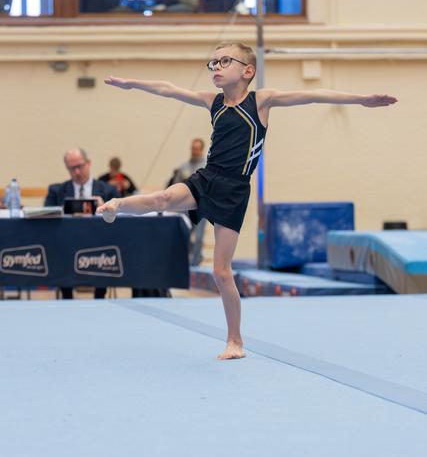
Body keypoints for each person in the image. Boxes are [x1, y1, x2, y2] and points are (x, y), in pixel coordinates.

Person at [97, 42, 398, 360]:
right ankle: (117, 205)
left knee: (221, 273)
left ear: (247, 70)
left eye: (224, 61)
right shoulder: (212, 102)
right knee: (163, 197)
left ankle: (235, 341)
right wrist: (132, 84)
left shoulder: (262, 101)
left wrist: (362, 99)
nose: (215, 67)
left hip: (234, 191)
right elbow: (168, 89)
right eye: (212, 62)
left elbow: (314, 95)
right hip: (208, 177)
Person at [45, 147, 119, 299]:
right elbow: (47, 214)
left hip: (100, 243)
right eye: (72, 168)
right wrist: (62, 211)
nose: (77, 172)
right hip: (66, 244)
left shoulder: (108, 191)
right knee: (58, 252)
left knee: (106, 250)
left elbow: (122, 218)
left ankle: (100, 297)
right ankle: (67, 297)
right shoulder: (57, 191)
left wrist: (106, 206)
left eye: (79, 166)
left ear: (89, 163)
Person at [168, 138, 207, 266]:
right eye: (193, 148)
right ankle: (187, 261)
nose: (195, 151)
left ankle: (196, 263)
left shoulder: (207, 166)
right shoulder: (183, 167)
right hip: (185, 208)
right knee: (185, 234)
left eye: (197, 149)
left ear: (201, 150)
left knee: (199, 237)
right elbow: (176, 186)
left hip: (201, 207)